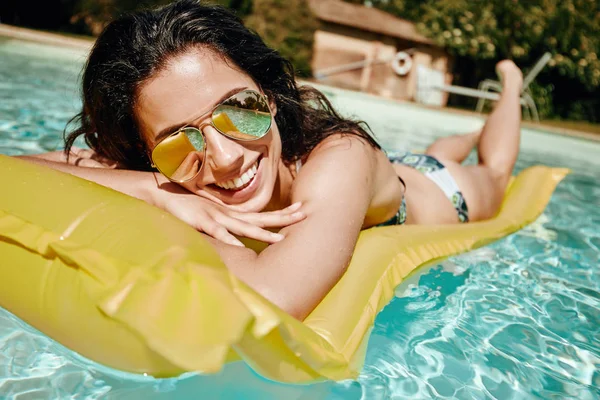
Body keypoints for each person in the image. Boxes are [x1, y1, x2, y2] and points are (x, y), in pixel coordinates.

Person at [18, 0, 524, 320]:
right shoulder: (159, 176)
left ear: (272, 96)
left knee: (493, 172)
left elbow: (272, 300)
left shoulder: (339, 157)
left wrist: (155, 198)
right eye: (178, 143)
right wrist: (152, 190)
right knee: (439, 146)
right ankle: (457, 135)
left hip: (442, 192)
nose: (224, 158)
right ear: (148, 155)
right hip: (393, 172)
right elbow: (14, 171)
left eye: (239, 111)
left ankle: (509, 90)